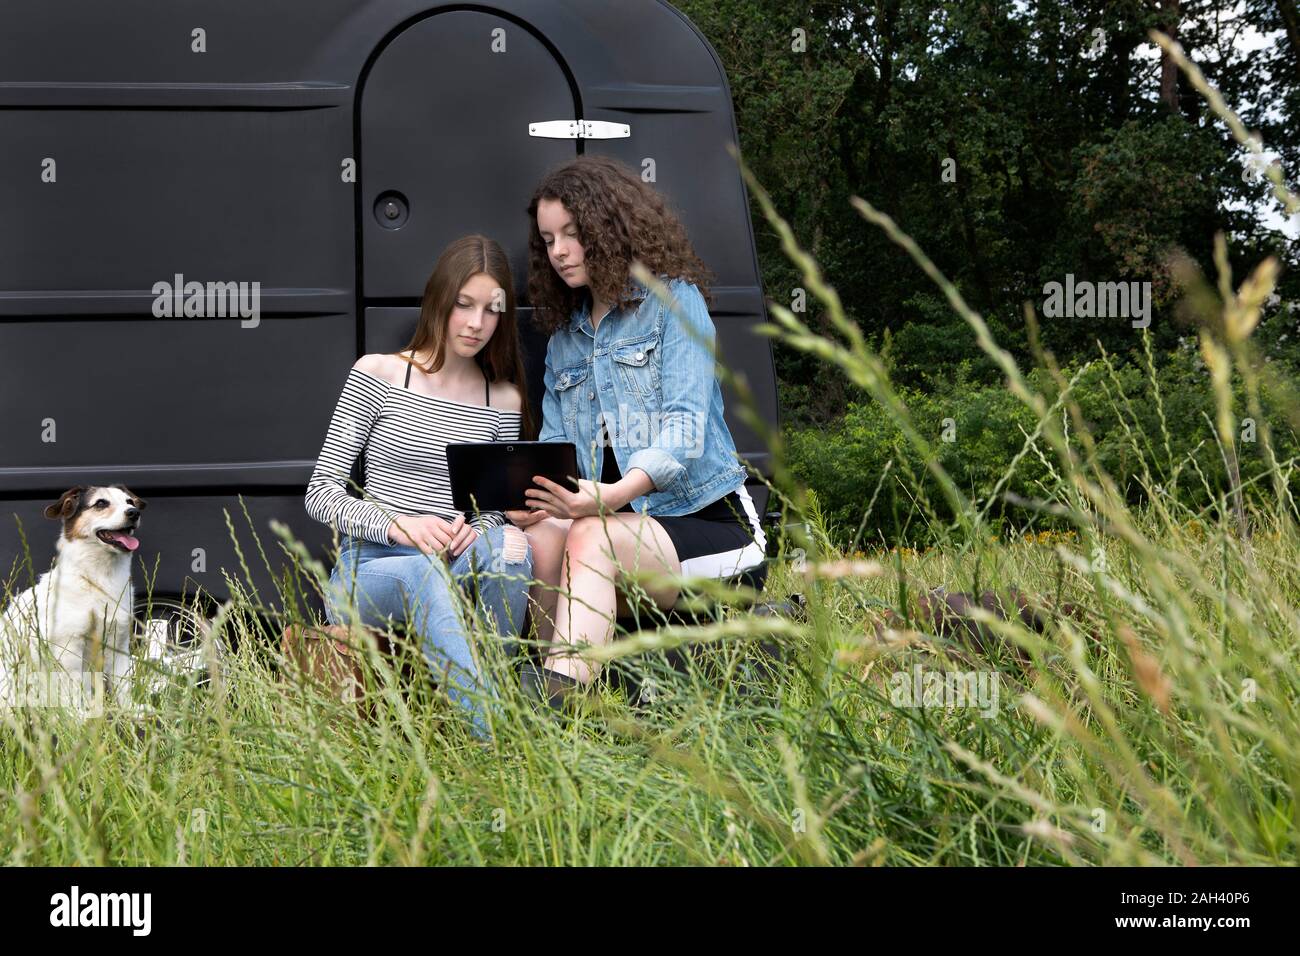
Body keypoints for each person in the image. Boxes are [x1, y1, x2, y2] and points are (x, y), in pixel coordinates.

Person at [509, 156, 766, 708]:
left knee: (590, 535)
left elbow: (684, 427)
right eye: (549, 238)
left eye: (573, 234)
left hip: (711, 529)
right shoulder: (565, 342)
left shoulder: (675, 301)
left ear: (609, 228)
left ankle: (556, 705)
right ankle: (550, 683)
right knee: (543, 538)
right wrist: (544, 501)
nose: (558, 251)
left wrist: (616, 495)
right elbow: (560, 454)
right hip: (616, 536)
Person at [305, 235, 534, 737]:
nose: (476, 323)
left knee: (513, 547)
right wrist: (401, 527)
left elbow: (490, 509)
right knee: (420, 577)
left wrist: (482, 528)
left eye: (491, 310)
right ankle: (499, 740)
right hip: (370, 570)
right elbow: (321, 492)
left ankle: (492, 697)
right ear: (439, 300)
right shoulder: (380, 374)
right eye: (463, 305)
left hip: (454, 561)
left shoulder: (504, 399)